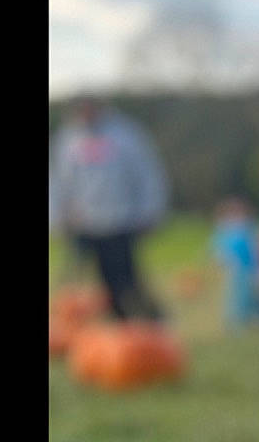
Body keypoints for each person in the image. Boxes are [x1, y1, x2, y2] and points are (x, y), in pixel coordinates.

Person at [49, 98, 170, 321]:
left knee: (125, 276)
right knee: (78, 277)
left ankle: (149, 321)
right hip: (83, 222)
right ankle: (103, 324)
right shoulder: (67, 140)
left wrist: (150, 210)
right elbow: (59, 181)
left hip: (121, 220)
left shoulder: (126, 134)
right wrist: (58, 216)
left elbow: (146, 175)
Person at [210, 197, 259, 327]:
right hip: (236, 269)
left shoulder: (249, 228)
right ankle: (237, 321)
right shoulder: (225, 230)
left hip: (252, 267)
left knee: (258, 295)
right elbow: (219, 249)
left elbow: (257, 247)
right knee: (239, 296)